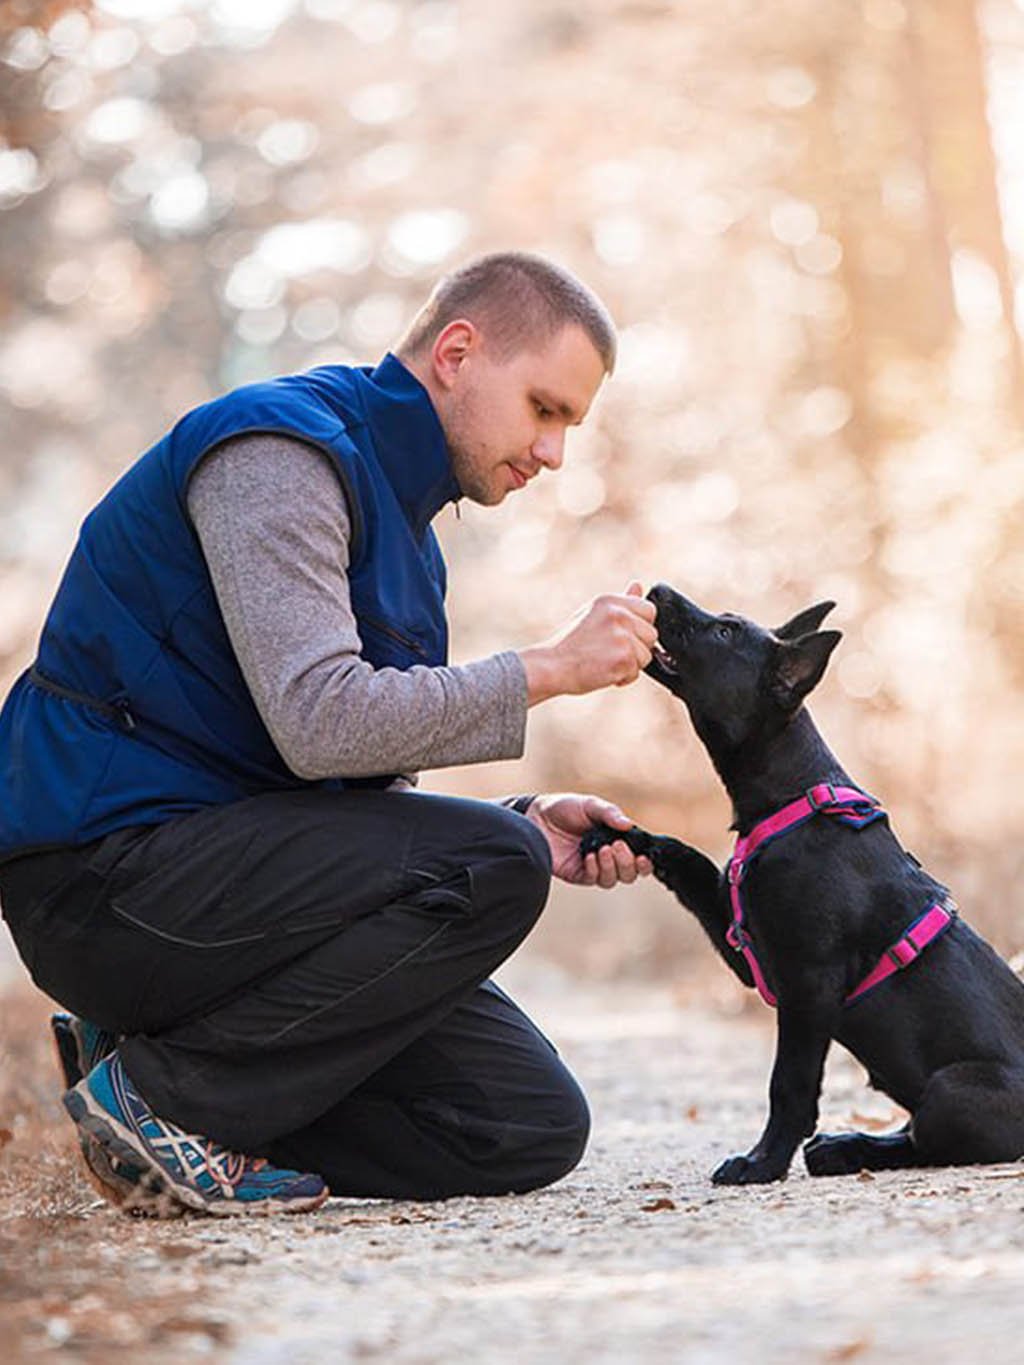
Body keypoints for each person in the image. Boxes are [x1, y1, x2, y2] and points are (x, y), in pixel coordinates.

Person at [0, 251, 658, 1219]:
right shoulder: (280, 453)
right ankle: (164, 1104)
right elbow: (321, 723)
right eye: (544, 409)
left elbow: (343, 789)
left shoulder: (405, 529)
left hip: (218, 893)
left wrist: (521, 817)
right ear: (458, 352)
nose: (552, 453)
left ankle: (155, 1067)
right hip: (106, 884)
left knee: (518, 1125)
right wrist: (547, 671)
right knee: (493, 863)